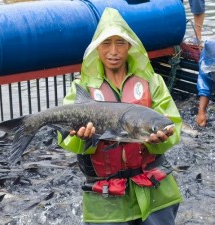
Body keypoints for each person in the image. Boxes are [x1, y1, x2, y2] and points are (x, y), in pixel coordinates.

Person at [58, 7, 183, 225]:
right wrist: (82, 139)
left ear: (130, 47)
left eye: (120, 43)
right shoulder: (81, 88)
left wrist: (161, 140)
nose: (113, 51)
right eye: (106, 43)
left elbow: (173, 127)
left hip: (156, 194)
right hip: (106, 202)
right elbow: (65, 139)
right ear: (96, 49)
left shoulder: (153, 83)